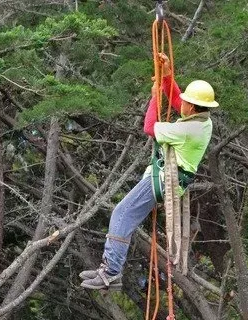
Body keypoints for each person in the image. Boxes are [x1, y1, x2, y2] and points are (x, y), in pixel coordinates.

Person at [80, 54, 219, 290]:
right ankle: (110, 269)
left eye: (187, 101)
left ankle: (111, 272)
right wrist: (166, 75)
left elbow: (149, 127)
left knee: (121, 214)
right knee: (125, 215)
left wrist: (155, 97)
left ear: (193, 106)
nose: (181, 103)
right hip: (170, 180)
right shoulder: (204, 122)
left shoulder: (189, 129)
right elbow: (176, 100)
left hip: (164, 180)